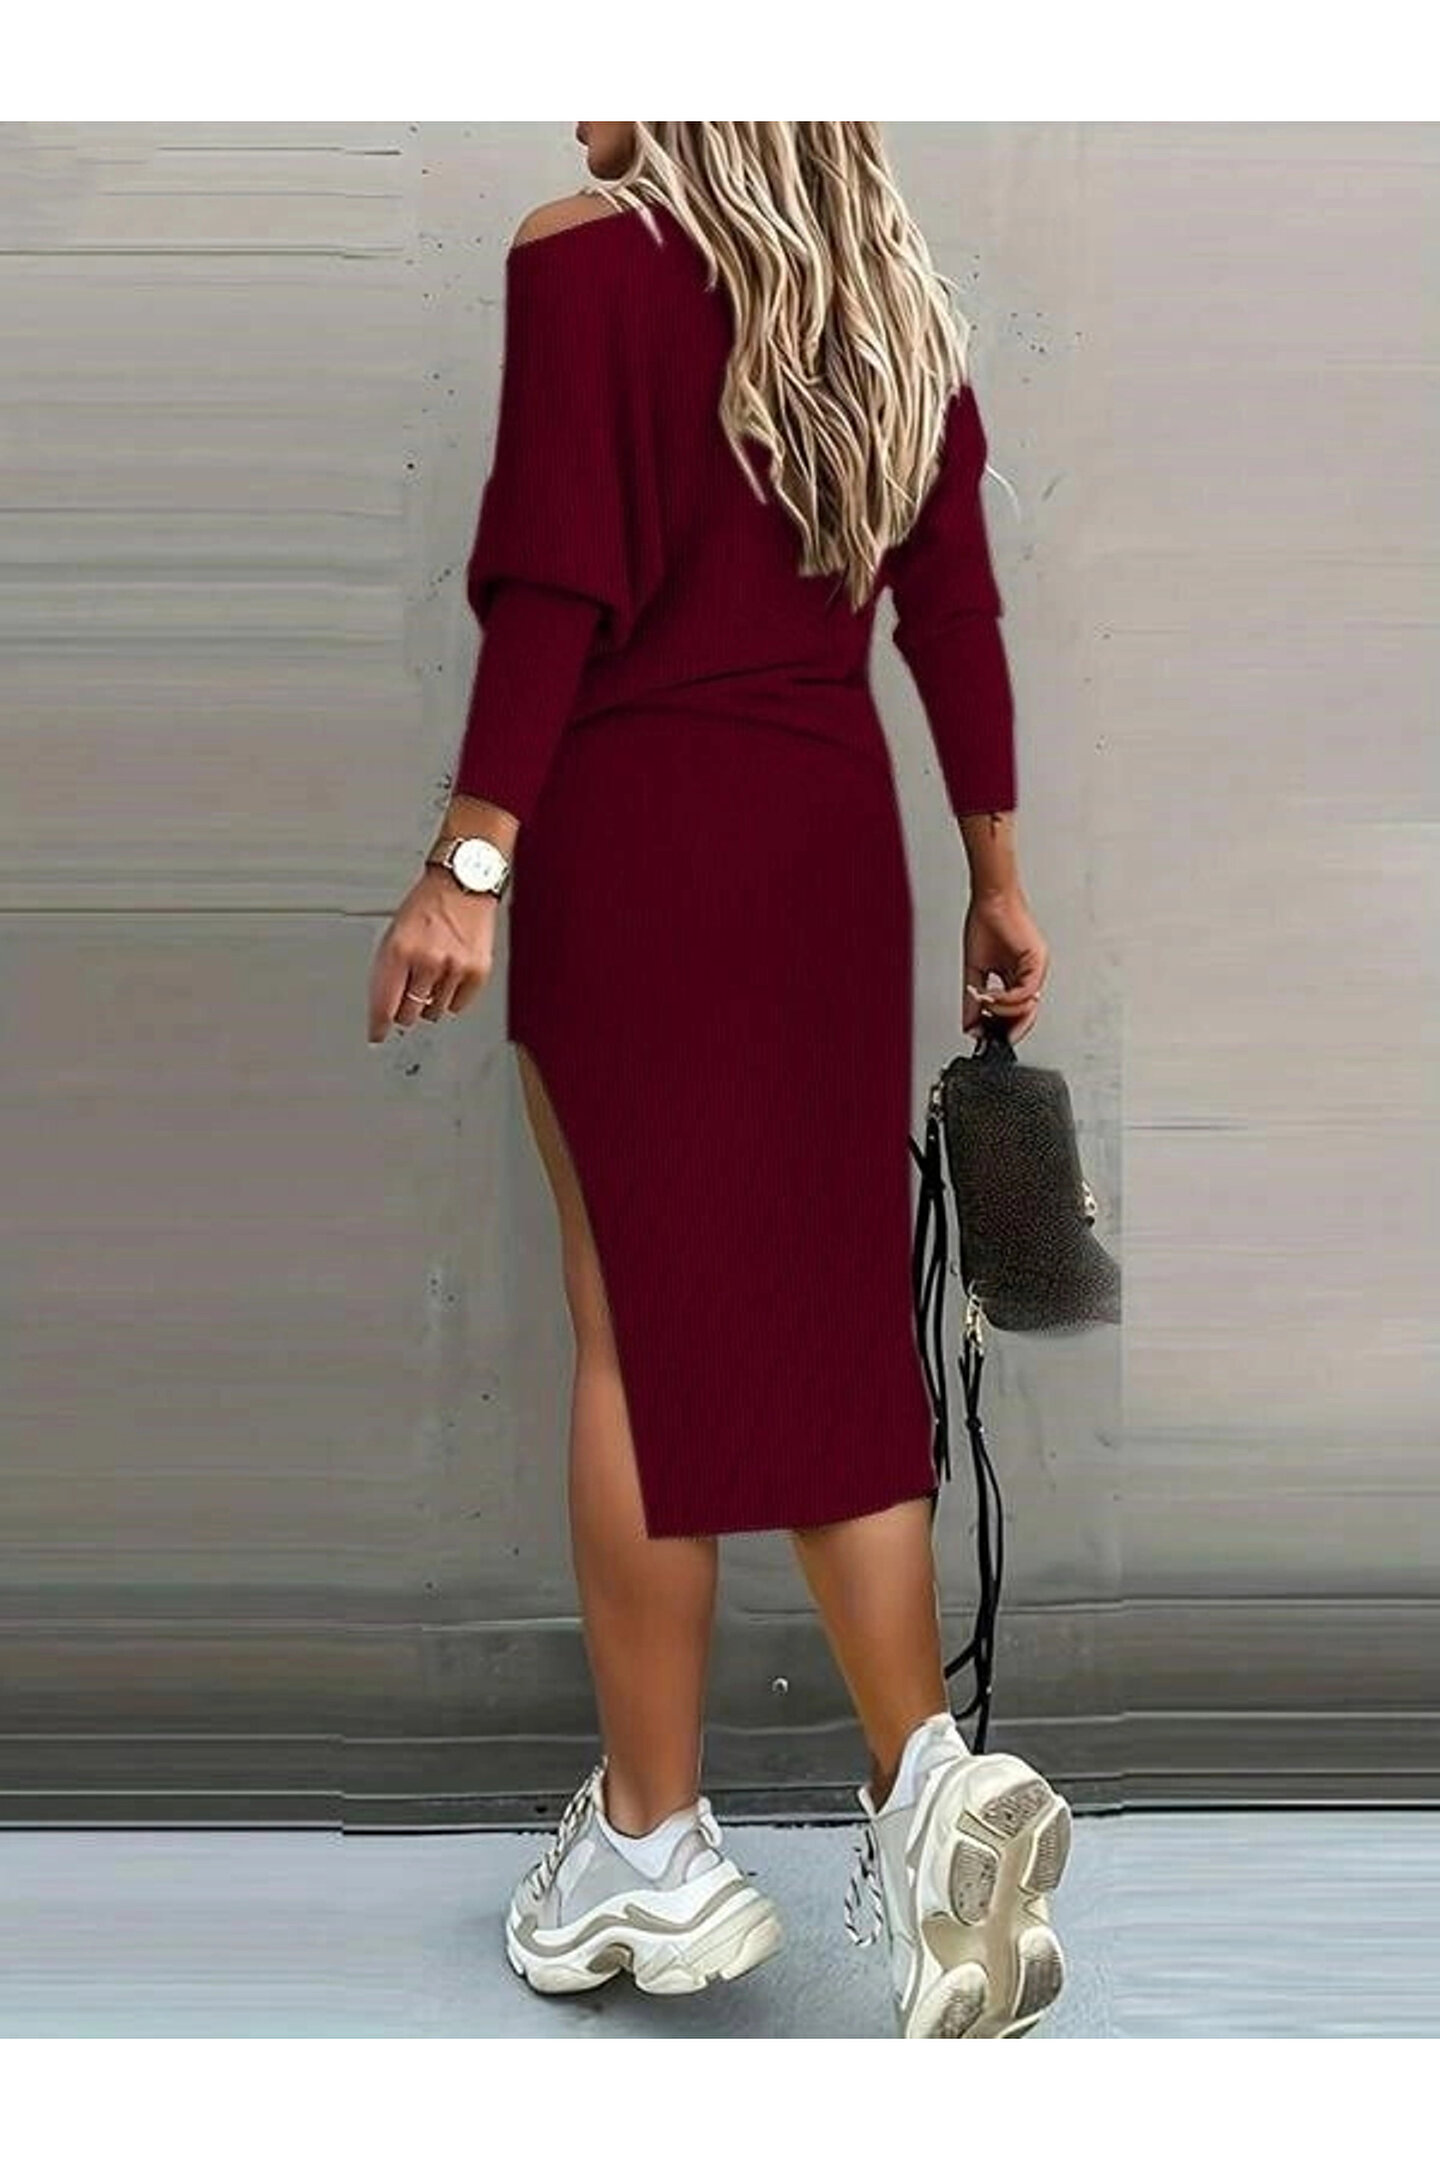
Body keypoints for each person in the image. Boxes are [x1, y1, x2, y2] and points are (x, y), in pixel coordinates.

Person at [366, 122, 1070, 2040]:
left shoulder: (583, 254)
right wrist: (997, 876)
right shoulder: (888, 299)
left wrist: (469, 860)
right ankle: (926, 1790)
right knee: (823, 1329)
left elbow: (556, 580)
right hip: (834, 847)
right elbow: (955, 606)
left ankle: (652, 1845)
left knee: (635, 1339)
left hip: (646, 836)